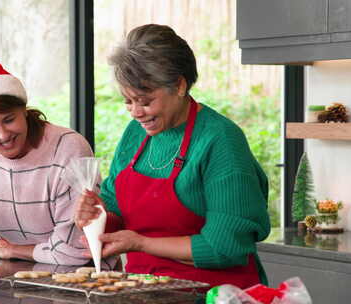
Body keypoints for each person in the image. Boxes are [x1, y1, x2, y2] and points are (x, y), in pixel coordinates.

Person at [74, 24, 271, 289]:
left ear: (179, 85)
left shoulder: (220, 140)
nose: (135, 112)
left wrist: (140, 243)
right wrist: (98, 216)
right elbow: (115, 206)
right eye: (127, 101)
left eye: (144, 101)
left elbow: (224, 247)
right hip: (141, 290)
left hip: (213, 293)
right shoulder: (136, 134)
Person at [0, 63, 116, 268]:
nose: (3, 135)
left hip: (82, 276)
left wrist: (16, 250)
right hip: (18, 274)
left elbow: (77, 250)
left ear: (24, 111)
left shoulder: (68, 148)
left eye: (9, 120)